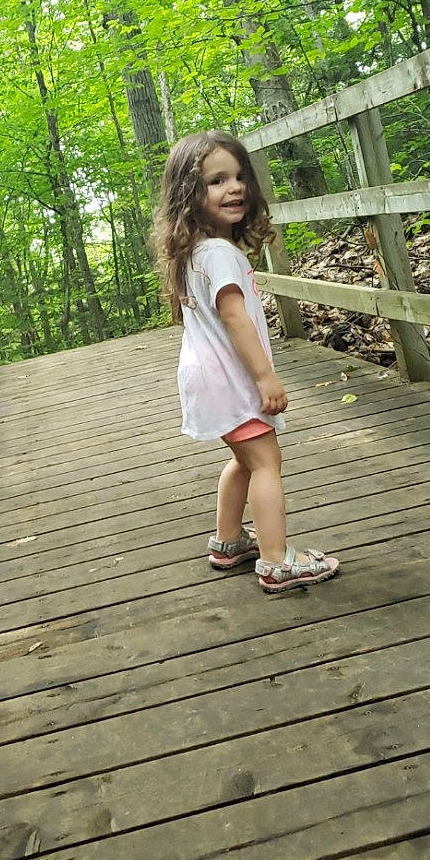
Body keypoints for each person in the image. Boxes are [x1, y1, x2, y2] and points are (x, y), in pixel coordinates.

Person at [153, 130, 339, 596]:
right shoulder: (218, 254)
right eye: (216, 181)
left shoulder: (194, 251)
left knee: (243, 459)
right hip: (231, 379)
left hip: (206, 378)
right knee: (266, 463)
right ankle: (276, 562)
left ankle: (230, 540)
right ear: (188, 195)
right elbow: (235, 318)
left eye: (238, 177)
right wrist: (265, 376)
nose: (233, 187)